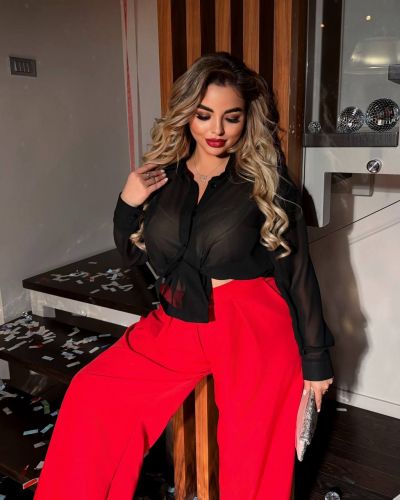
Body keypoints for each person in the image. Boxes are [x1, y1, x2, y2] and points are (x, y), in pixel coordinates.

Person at [34, 52, 334, 500]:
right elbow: (132, 256)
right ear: (187, 113)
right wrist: (127, 202)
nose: (217, 130)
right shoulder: (164, 177)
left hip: (252, 324)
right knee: (92, 395)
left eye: (231, 117)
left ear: (246, 117)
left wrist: (316, 360)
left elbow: (299, 273)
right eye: (204, 114)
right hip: (177, 319)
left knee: (251, 462)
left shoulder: (268, 181)